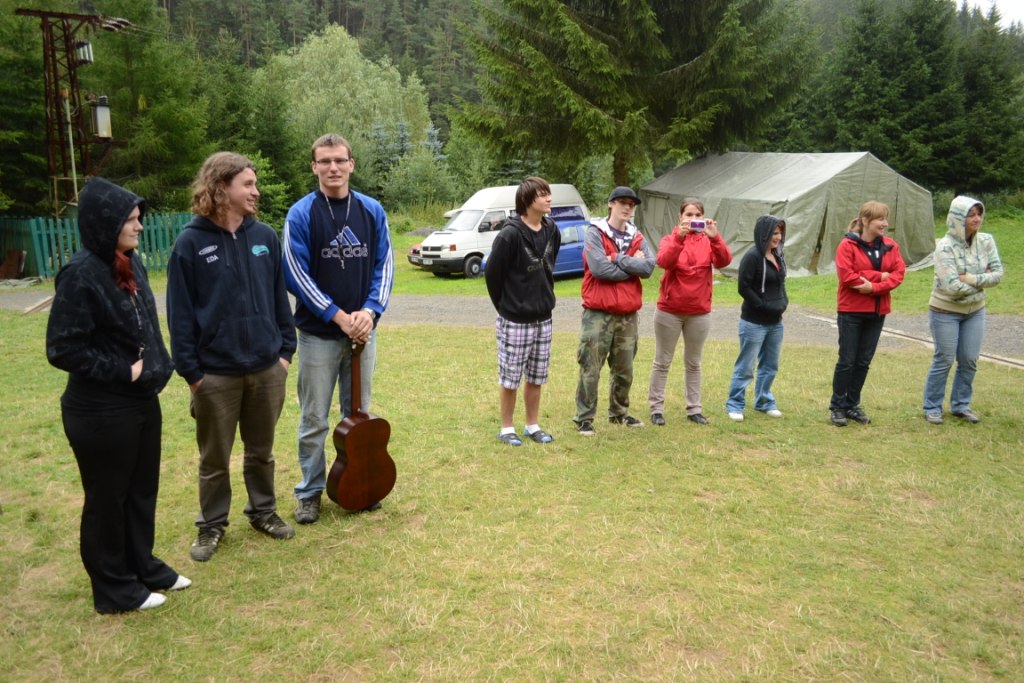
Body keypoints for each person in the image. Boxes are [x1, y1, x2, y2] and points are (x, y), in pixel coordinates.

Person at [46, 178, 189, 612]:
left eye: (139, 218)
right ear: (104, 223)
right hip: (101, 410)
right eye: (130, 220)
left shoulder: (129, 261)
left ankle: (142, 566)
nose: (139, 226)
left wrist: (155, 368)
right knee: (108, 498)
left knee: (141, 490)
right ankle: (113, 587)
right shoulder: (81, 274)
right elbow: (62, 348)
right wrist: (123, 371)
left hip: (140, 401)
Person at [168, 152, 297, 561]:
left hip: (266, 367)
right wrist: (193, 374)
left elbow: (279, 298)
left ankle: (263, 512)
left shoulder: (265, 238)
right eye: (248, 185)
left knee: (262, 451)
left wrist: (284, 352)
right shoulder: (190, 243)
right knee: (214, 458)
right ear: (221, 187)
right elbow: (179, 315)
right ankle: (211, 525)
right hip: (215, 375)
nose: (256, 192)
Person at [282, 133, 394, 524]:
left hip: (363, 332)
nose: (333, 168)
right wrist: (338, 316)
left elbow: (384, 265)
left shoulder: (371, 210)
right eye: (325, 161)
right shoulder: (301, 214)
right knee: (314, 419)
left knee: (359, 415)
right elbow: (296, 274)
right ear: (314, 166)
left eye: (340, 160)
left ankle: (361, 482)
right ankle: (310, 492)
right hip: (319, 336)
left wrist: (369, 312)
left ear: (351, 165)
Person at [573, 186, 656, 436]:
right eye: (622, 202)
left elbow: (649, 267)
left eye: (631, 204)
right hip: (598, 313)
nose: (627, 207)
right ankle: (584, 418)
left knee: (625, 368)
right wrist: (632, 264)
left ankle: (619, 413)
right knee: (591, 366)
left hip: (628, 314)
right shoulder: (595, 233)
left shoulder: (636, 236)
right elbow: (599, 269)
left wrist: (618, 258)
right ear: (611, 204)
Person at [485, 176, 562, 446]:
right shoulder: (510, 235)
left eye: (548, 192)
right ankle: (507, 428)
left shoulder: (552, 229)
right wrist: (507, 306)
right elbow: (492, 274)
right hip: (515, 319)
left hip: (544, 317)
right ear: (527, 201)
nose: (548, 198)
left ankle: (532, 425)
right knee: (510, 378)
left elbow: (550, 264)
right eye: (542, 194)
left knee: (537, 376)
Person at [648, 198, 732, 426]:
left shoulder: (708, 240)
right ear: (680, 217)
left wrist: (715, 237)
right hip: (669, 311)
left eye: (698, 215)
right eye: (689, 215)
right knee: (662, 361)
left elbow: (724, 261)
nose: (693, 219)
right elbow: (664, 261)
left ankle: (694, 409)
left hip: (699, 312)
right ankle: (656, 409)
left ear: (704, 218)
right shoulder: (670, 239)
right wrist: (679, 237)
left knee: (694, 363)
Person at [922, 196, 1003, 425]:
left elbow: (998, 274)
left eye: (979, 214)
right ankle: (932, 407)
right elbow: (952, 286)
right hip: (945, 311)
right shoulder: (944, 247)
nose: (977, 219)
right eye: (971, 215)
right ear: (958, 218)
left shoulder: (986, 241)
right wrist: (982, 280)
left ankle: (961, 405)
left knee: (969, 360)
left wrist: (969, 278)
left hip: (975, 310)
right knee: (944, 359)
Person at [828, 201, 905, 427]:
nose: (885, 223)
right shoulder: (847, 246)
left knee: (863, 362)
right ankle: (837, 406)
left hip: (877, 312)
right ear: (865, 221)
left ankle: (852, 404)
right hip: (851, 311)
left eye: (885, 218)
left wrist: (873, 286)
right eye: (880, 219)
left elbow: (898, 274)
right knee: (847, 360)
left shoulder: (891, 246)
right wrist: (879, 276)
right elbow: (848, 276)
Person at [725, 215, 788, 422]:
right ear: (764, 233)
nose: (778, 237)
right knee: (746, 367)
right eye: (774, 233)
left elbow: (780, 283)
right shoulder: (751, 257)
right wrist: (761, 305)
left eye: (780, 233)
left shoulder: (778, 255)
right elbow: (743, 287)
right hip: (754, 323)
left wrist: (783, 302)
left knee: (770, 365)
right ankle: (735, 404)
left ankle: (764, 401)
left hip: (776, 323)